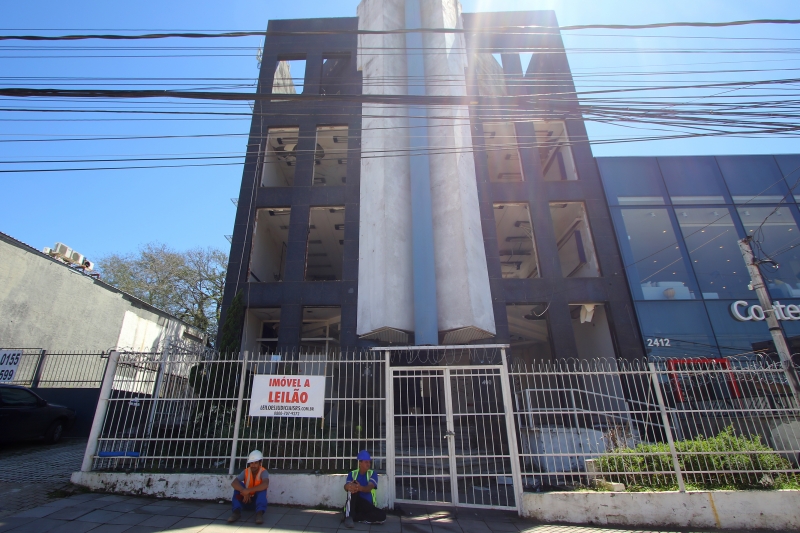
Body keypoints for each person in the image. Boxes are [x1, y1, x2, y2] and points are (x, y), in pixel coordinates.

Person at [343, 450, 386, 528]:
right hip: (355, 503)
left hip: (367, 505)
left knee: (382, 516)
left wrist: (360, 488)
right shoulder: (352, 474)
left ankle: (356, 517)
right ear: (360, 463)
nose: (368, 464)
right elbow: (346, 486)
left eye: (369, 462)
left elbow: (370, 487)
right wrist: (350, 486)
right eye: (366, 462)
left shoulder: (372, 474)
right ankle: (349, 517)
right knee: (353, 485)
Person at [228, 450, 269, 524]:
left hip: (256, 502)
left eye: (256, 463)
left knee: (262, 489)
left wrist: (248, 490)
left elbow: (265, 484)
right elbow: (234, 483)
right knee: (238, 486)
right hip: (245, 500)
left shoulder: (263, 472)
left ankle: (259, 514)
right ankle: (236, 513)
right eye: (251, 463)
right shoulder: (246, 471)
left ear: (260, 463)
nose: (253, 465)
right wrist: (244, 491)